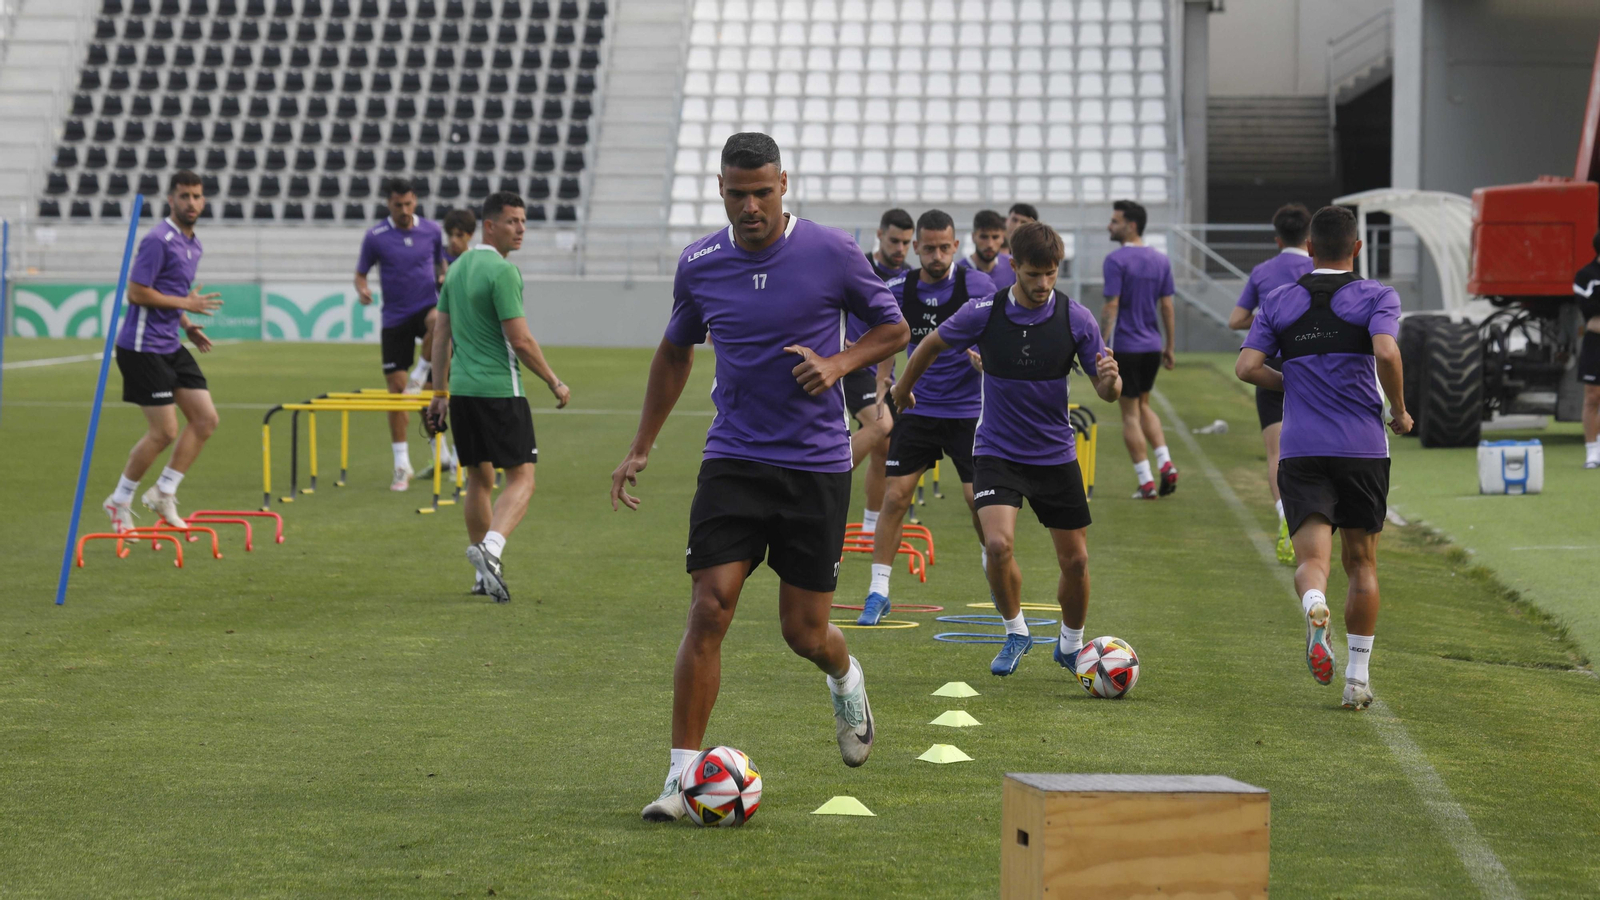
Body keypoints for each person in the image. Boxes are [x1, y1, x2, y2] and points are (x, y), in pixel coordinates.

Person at [609, 133, 908, 823]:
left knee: (803, 632)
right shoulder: (701, 264)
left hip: (815, 467)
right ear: (720, 188)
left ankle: (845, 675)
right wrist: (641, 444)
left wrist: (837, 364)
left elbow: (890, 329)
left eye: (763, 191)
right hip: (734, 460)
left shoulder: (831, 252)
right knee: (709, 607)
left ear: (784, 184)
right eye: (738, 192)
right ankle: (680, 780)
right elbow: (675, 353)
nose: (751, 205)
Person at [892, 222, 1122, 676]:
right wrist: (903, 389)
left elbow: (1106, 389)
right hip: (997, 450)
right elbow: (931, 343)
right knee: (997, 544)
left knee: (1075, 560)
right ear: (1013, 266)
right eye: (1034, 274)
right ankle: (1016, 631)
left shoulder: (1077, 318)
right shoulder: (984, 312)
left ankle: (1071, 644)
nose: (1042, 284)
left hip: (1055, 454)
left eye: (1051, 274)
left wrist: (1112, 380)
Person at [1235, 205, 1411, 710]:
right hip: (1361, 449)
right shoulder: (1377, 294)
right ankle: (1356, 679)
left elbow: (1247, 367)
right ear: (1357, 249)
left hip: (1302, 448)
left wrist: (1291, 380)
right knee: (1362, 564)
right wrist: (1399, 411)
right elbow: (1387, 352)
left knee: (1314, 561)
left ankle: (1315, 605)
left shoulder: (1279, 299)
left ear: (1309, 249)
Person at [425, 192, 570, 602]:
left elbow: (441, 335)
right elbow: (520, 340)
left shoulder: (457, 268)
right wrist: (554, 381)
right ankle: (491, 549)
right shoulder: (503, 272)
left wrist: (440, 392)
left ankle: (481, 576)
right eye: (512, 221)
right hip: (500, 391)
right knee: (522, 477)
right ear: (489, 225)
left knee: (479, 478)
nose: (521, 229)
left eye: (524, 221)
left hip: (463, 394)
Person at [856, 209, 996, 626]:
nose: (936, 255)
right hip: (917, 407)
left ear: (957, 246)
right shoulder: (899, 287)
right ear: (915, 248)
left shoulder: (979, 286)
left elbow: (996, 337)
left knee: (978, 501)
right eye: (928, 248)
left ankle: (995, 573)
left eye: (944, 247)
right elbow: (882, 337)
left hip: (968, 413)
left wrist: (983, 358)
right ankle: (878, 591)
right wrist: (884, 380)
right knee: (895, 497)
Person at [101, 170, 223, 533]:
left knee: (205, 420)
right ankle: (119, 499)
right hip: (141, 347)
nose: (191, 203)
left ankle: (164, 491)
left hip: (170, 342)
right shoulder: (158, 239)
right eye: (184, 196)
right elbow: (137, 293)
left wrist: (186, 324)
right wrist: (185, 303)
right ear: (171, 200)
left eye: (197, 196)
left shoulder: (194, 243)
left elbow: (170, 292)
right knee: (165, 431)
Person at [1228, 204, 1314, 562]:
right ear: (1309, 239)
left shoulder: (1264, 271)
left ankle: (1284, 520)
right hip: (1312, 362)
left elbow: (1236, 320)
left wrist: (1265, 316)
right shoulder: (1317, 268)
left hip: (1269, 362)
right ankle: (1311, 523)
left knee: (1276, 453)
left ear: (1278, 238)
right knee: (1313, 448)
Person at [355, 178, 449, 490]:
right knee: (397, 394)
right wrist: (363, 289)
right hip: (394, 318)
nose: (405, 210)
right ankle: (401, 464)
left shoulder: (432, 231)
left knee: (438, 321)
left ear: (415, 201)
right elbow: (360, 274)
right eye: (399, 205)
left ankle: (420, 374)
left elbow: (441, 262)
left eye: (410, 204)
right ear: (389, 204)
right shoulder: (376, 236)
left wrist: (445, 273)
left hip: (426, 308)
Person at [1101, 199, 1179, 499]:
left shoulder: (1116, 260)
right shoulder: (1161, 260)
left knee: (1130, 414)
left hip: (1127, 347)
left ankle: (1146, 481)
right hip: (1152, 347)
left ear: (1131, 225)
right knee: (1144, 406)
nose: (1110, 226)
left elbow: (1111, 305)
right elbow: (1168, 307)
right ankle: (1166, 462)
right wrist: (1169, 347)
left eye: (1115, 221)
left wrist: (1099, 345)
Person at [845, 207, 914, 535]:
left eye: (906, 242)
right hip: (852, 364)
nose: (900, 248)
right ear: (880, 235)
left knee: (884, 447)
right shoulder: (858, 268)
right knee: (881, 424)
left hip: (885, 372)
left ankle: (871, 524)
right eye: (894, 241)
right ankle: (825, 476)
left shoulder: (909, 278)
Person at [1573, 232, 1600, 469]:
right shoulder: (1585, 275)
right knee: (1593, 396)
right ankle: (1592, 452)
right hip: (1596, 342)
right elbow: (1589, 309)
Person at [958, 209, 1017, 294]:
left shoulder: (1013, 267)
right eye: (984, 237)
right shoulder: (957, 273)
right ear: (973, 237)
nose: (990, 244)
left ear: (1003, 238)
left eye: (995, 237)